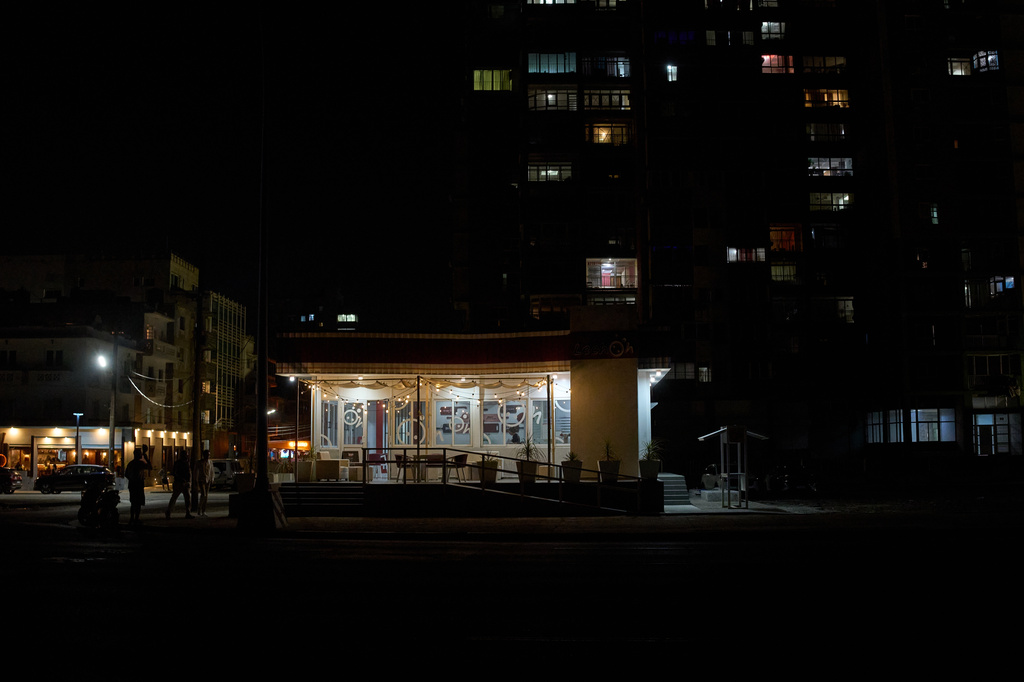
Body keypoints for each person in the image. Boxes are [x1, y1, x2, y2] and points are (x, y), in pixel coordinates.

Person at [124, 445, 152, 525]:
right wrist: (146, 458)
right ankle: (136, 518)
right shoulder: (140, 463)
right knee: (138, 503)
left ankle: (132, 518)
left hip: (132, 484)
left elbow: (126, 474)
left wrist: (132, 479)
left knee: (133, 503)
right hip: (138, 484)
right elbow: (150, 467)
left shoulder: (130, 463)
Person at [165, 449, 193, 519]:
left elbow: (189, 473)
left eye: (186, 454)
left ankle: (188, 512)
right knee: (174, 498)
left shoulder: (187, 463)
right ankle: (168, 512)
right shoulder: (178, 463)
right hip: (179, 483)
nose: (186, 456)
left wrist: (189, 481)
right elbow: (174, 472)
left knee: (187, 499)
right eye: (185, 455)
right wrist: (181, 479)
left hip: (186, 483)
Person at [194, 450, 214, 517]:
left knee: (206, 496)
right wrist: (196, 479)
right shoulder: (199, 462)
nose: (208, 456)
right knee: (203, 494)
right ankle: (199, 509)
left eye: (209, 455)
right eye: (207, 455)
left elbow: (212, 471)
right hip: (201, 480)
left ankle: (203, 510)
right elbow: (196, 471)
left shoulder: (210, 462)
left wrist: (212, 479)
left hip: (208, 480)